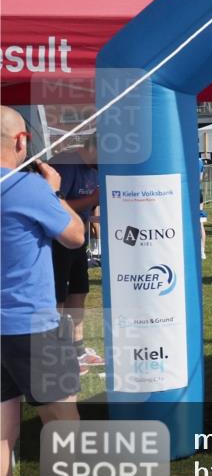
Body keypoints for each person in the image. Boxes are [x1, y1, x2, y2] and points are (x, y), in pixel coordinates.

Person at [1, 107, 115, 476]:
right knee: (64, 429)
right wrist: (54, 192)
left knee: (2, 435)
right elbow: (73, 236)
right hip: (32, 324)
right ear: (22, 140)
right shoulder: (26, 186)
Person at [49, 134, 103, 375]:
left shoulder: (93, 168)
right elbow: (54, 204)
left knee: (79, 292)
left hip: (77, 239)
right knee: (58, 296)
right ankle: (58, 350)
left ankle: (77, 348)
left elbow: (89, 205)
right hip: (56, 238)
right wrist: (92, 199)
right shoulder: (65, 163)